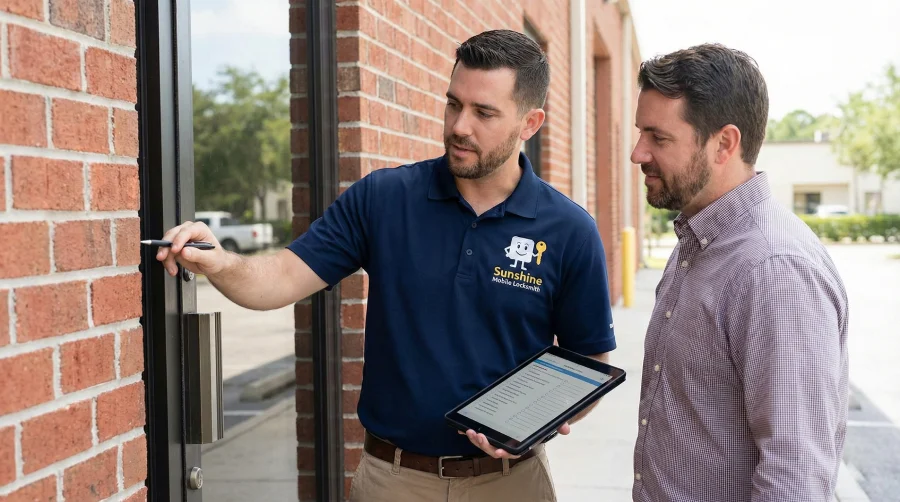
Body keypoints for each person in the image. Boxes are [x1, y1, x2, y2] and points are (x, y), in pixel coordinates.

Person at [157, 30, 616, 501]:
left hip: (511, 484)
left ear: (530, 123)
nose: (460, 125)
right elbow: (279, 278)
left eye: (484, 112)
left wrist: (541, 418)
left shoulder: (569, 230)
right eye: (453, 104)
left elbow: (589, 362)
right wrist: (220, 262)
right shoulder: (384, 199)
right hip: (392, 480)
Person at [629, 43, 849, 501]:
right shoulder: (697, 241)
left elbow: (796, 477)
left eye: (658, 137)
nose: (637, 153)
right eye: (640, 134)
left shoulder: (774, 270)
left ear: (724, 143)